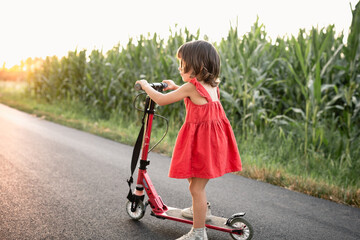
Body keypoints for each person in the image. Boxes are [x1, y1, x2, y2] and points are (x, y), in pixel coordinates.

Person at [135, 40, 242, 240]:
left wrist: (145, 86)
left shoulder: (191, 87)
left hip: (202, 144)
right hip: (210, 144)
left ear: (198, 66)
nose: (179, 67)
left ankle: (198, 234)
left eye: (182, 63)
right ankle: (201, 211)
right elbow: (193, 97)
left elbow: (161, 100)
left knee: (195, 187)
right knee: (195, 180)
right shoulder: (209, 86)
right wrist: (176, 87)